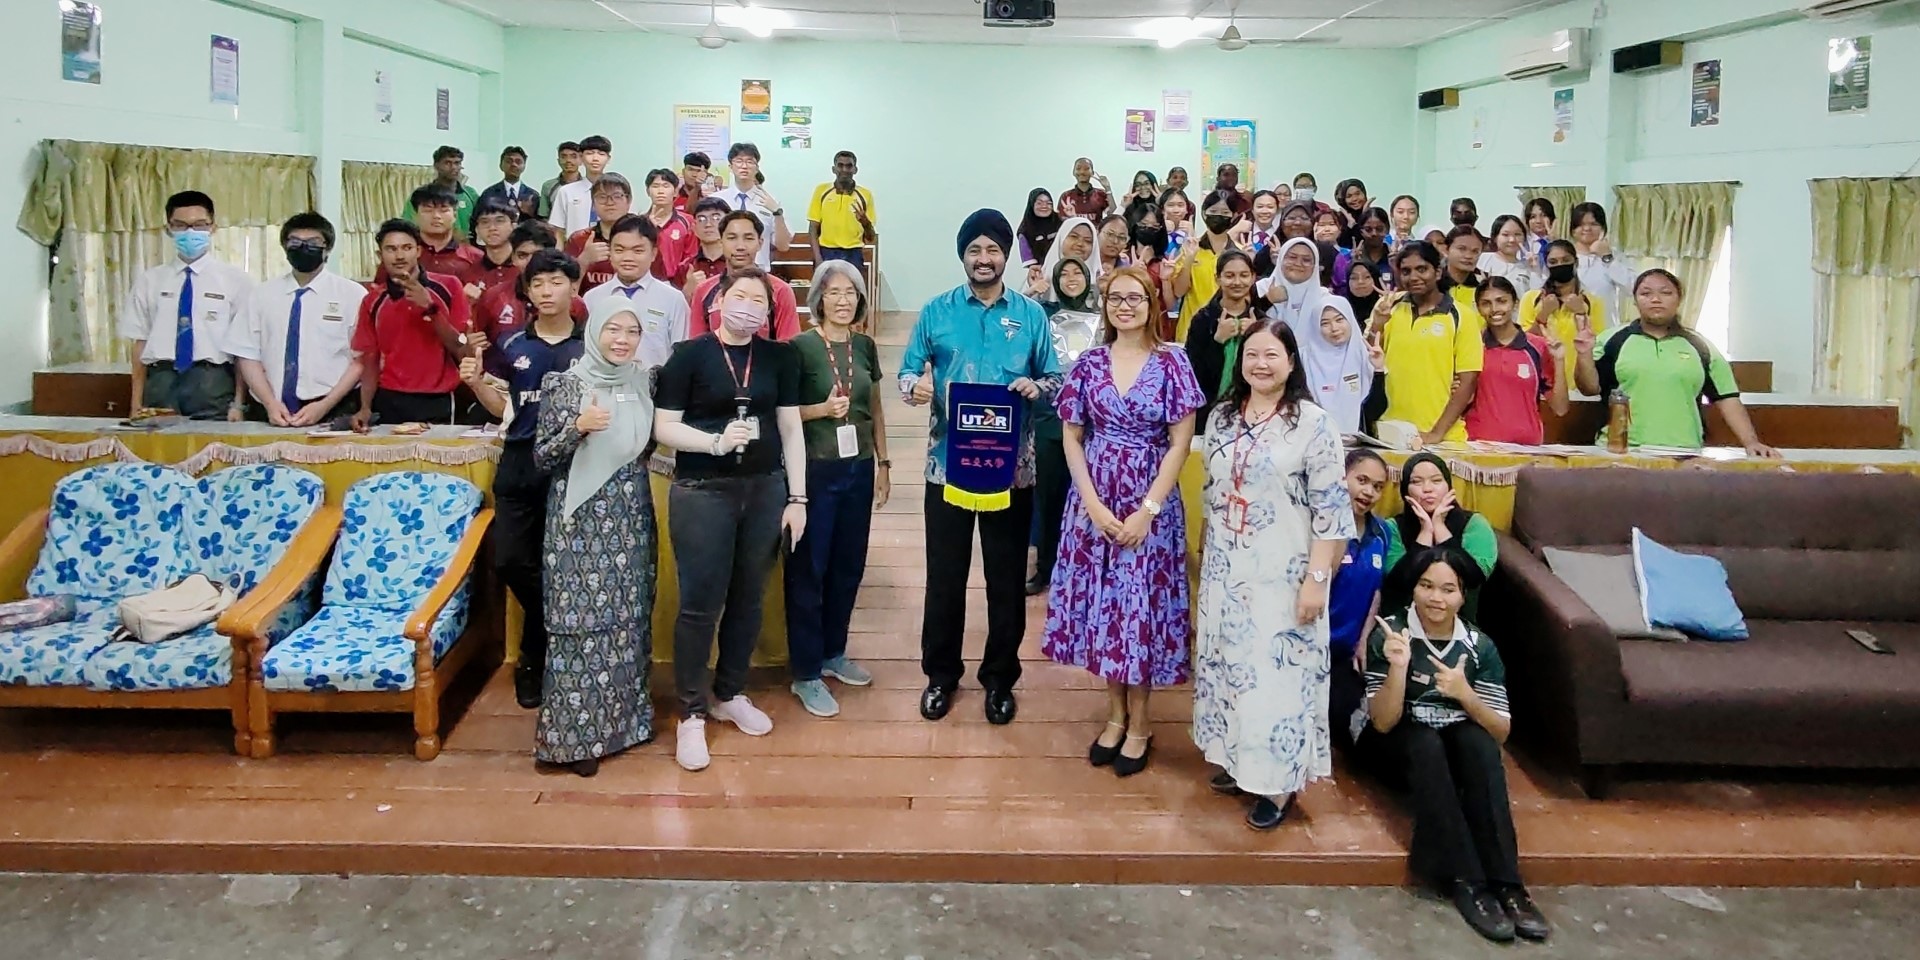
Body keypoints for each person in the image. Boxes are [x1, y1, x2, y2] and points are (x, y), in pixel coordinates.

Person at [900, 209, 1062, 726]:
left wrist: (1037, 387)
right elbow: (907, 371)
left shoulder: (1031, 316)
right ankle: (940, 675)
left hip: (1012, 469)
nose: (984, 258)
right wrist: (914, 386)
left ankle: (999, 679)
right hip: (947, 466)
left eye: (993, 249)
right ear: (963, 256)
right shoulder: (937, 311)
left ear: (1006, 255)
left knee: (1006, 578)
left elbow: (1056, 379)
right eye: (975, 250)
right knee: (944, 577)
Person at [1042, 266, 1203, 777]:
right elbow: (1072, 436)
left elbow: (1180, 443)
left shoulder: (1173, 362)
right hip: (1096, 500)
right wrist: (1092, 504)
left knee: (1140, 610)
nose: (1125, 306)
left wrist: (1147, 511)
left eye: (1135, 297)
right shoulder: (1089, 363)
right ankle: (1114, 715)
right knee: (1106, 608)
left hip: (1150, 502)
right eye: (1115, 297)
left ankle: (1141, 723)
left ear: (1152, 304)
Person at [1194, 319, 1354, 830]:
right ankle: (1239, 761)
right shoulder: (1222, 418)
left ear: (1291, 362)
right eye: (1252, 354)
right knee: (1230, 672)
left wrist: (1317, 581)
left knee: (1277, 680)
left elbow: (1332, 512)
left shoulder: (1313, 423)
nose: (1260, 364)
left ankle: (1279, 785)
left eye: (1271, 355)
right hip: (1227, 571)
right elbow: (1213, 492)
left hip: (1285, 573)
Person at [652, 268, 808, 771]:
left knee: (749, 596)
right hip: (703, 490)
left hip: (765, 488)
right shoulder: (689, 355)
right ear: (718, 300)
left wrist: (798, 497)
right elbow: (665, 427)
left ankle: (729, 691)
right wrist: (714, 443)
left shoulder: (780, 357)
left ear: (770, 311)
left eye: (759, 300)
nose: (748, 306)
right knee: (700, 603)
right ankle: (691, 712)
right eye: (738, 296)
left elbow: (790, 428)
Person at [1365, 551, 1550, 944]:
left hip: (1453, 742)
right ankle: (1468, 881)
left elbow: (1500, 731)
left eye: (1448, 589)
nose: (1436, 598)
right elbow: (1382, 722)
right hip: (1397, 744)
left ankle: (1509, 886)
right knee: (1424, 744)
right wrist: (1398, 668)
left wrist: (1466, 694)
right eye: (1426, 586)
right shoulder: (1391, 633)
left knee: (1480, 745)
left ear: (1463, 596)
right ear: (1413, 589)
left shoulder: (1479, 646)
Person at [531, 298, 659, 778]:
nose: (622, 340)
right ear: (595, 332)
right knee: (578, 624)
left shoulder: (644, 382)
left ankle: (627, 728)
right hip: (579, 523)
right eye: (613, 330)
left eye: (632, 332)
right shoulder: (565, 384)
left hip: (631, 515)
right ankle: (572, 742)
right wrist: (577, 428)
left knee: (628, 619)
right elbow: (542, 456)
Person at [461, 250, 584, 709]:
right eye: (538, 284)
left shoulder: (592, 344)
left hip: (573, 467)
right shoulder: (510, 344)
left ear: (574, 287)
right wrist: (476, 383)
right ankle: (557, 626)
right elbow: (503, 408)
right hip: (518, 462)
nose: (547, 291)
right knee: (512, 561)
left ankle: (534, 662)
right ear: (527, 292)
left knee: (563, 566)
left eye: (556, 281)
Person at [784, 260, 889, 718]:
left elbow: (875, 409)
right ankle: (806, 672)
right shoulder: (801, 348)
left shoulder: (865, 346)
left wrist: (884, 463)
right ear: (818, 300)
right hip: (815, 470)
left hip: (859, 468)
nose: (843, 300)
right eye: (833, 293)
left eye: (850, 292)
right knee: (810, 569)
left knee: (849, 566)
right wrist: (820, 411)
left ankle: (833, 652)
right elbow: (783, 413)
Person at [1576, 269, 1780, 456]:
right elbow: (1589, 388)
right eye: (1646, 293)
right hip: (1621, 451)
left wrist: (1751, 442)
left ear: (1679, 299)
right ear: (1635, 301)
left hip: (1685, 451)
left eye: (1666, 293)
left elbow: (1727, 397)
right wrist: (1584, 354)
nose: (1656, 299)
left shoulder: (1701, 345)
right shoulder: (1612, 340)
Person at [121, 190, 253, 420]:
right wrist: (135, 403)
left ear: (213, 227)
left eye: (199, 225)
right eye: (180, 226)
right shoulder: (149, 280)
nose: (190, 232)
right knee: (159, 443)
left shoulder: (236, 281)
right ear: (168, 229)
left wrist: (239, 404)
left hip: (212, 382)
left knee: (214, 443)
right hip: (161, 381)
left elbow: (243, 348)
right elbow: (140, 344)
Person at [229, 212, 365, 427]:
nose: (303, 248)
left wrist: (325, 405)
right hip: (270, 409)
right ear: (284, 247)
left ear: (327, 248)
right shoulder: (260, 295)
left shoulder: (353, 294)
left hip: (334, 407)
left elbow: (361, 360)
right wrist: (270, 404)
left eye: (313, 243)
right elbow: (247, 355)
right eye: (295, 242)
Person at [349, 219, 472, 428]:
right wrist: (365, 407)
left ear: (418, 251)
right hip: (389, 398)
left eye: (406, 248)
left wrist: (431, 308)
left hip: (439, 399)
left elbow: (460, 347)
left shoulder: (449, 287)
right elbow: (370, 359)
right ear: (380, 255)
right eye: (391, 249)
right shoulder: (372, 300)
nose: (399, 256)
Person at [1029, 256, 1100, 595]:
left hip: (1091, 424)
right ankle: (1046, 568)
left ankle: (1084, 571)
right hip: (1049, 421)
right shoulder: (1042, 316)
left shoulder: (1102, 319)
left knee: (1088, 499)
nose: (1071, 278)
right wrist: (1032, 291)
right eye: (1064, 273)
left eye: (1078, 273)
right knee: (1049, 499)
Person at [1372, 241, 1482, 446]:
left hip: (1441, 438)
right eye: (1406, 271)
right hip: (1389, 431)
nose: (1413, 277)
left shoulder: (1462, 315)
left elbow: (1468, 381)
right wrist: (1377, 324)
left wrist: (1436, 434)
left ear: (1437, 272)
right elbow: (1369, 360)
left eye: (1421, 269)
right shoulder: (1388, 306)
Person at [1380, 451, 1495, 618]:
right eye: (1416, 482)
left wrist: (1440, 528)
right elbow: (1398, 583)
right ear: (1405, 491)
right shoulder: (1392, 527)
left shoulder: (1474, 524)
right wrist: (1425, 532)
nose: (1427, 489)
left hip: (1459, 622)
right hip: (1402, 622)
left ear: (1448, 486)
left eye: (1436, 481)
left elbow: (1473, 578)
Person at [1328, 449, 1389, 753]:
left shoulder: (1382, 533)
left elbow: (1376, 591)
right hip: (1313, 647)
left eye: (1377, 486)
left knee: (1343, 726)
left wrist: (1363, 641)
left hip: (1347, 651)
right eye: (1361, 480)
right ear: (1342, 477)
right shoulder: (1324, 529)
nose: (1368, 492)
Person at [1466, 277, 1569, 445]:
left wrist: (1559, 360)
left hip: (1527, 447)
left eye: (1501, 301)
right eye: (1486, 303)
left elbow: (1560, 408)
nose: (1494, 309)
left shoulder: (1537, 347)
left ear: (1515, 303)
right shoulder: (1471, 346)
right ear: (1478, 308)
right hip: (1479, 445)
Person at [581, 214, 690, 373]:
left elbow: (682, 357)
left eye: (637, 251)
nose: (628, 258)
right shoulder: (593, 298)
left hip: (655, 386)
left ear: (653, 254)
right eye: (619, 250)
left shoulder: (673, 299)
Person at [687, 211, 802, 340]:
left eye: (748, 238)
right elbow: (696, 344)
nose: (740, 246)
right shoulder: (703, 290)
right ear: (721, 242)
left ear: (760, 243)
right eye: (732, 238)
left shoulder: (780, 290)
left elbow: (789, 346)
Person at [1184, 250, 1263, 425]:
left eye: (1244, 275)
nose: (1237, 282)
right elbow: (1191, 374)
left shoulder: (1262, 320)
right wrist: (1217, 341)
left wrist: (1255, 337)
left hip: (1253, 413)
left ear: (1253, 278)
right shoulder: (1202, 320)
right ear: (1217, 279)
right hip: (1206, 414)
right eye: (1229, 276)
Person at [1520, 239, 1605, 376]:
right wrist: (1543, 314)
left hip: (1579, 380)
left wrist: (1581, 314)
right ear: (1546, 265)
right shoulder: (1531, 299)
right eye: (1553, 262)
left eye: (1566, 260)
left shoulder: (1592, 302)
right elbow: (1524, 342)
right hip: (1542, 378)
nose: (1560, 265)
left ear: (1576, 262)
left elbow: (1598, 345)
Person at [1171, 189, 1238, 343]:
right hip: (1190, 331)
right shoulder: (1190, 248)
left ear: (1234, 216)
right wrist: (1189, 259)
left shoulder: (1239, 252)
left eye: (1225, 212)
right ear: (1203, 213)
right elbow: (1179, 292)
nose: (1218, 216)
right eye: (1213, 211)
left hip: (1228, 332)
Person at [720, 142, 793, 271]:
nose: (744, 166)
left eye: (750, 161)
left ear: (757, 168)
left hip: (758, 271)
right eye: (739, 161)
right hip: (725, 271)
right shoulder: (717, 200)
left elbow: (783, 246)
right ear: (730, 167)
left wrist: (777, 213)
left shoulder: (771, 202)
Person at [565, 173, 633, 294]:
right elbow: (564, 287)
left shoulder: (642, 239)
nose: (609, 202)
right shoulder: (579, 239)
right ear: (593, 204)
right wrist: (583, 260)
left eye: (617, 196)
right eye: (602, 197)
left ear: (628, 201)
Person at [808, 150, 876, 270]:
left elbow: (870, 237)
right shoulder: (821, 191)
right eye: (840, 165)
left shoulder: (865, 195)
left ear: (855, 170)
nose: (844, 169)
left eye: (849, 166)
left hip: (853, 254)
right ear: (834, 169)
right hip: (826, 252)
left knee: (853, 283)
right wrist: (818, 259)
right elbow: (813, 229)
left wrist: (865, 222)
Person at [1568, 201, 1635, 321]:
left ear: (1603, 228)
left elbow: (1633, 288)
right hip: (1568, 326)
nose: (1587, 228)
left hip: (1605, 326)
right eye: (1581, 224)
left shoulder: (1614, 255)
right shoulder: (1564, 255)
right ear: (1573, 230)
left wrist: (1607, 258)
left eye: (1593, 224)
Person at [410, 185, 484, 287]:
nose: (436, 216)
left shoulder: (476, 258)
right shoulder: (404, 256)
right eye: (428, 210)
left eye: (443, 210)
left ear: (455, 215)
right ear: (415, 216)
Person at [640, 169, 699, 284]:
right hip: (644, 281)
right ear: (648, 191)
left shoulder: (687, 222)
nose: (660, 191)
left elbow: (691, 257)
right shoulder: (639, 223)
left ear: (676, 191)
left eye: (666, 186)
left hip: (677, 284)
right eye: (655, 186)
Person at [407, 146, 480, 237]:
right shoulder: (422, 195)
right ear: (436, 166)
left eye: (457, 163)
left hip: (467, 244)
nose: (453, 167)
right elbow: (408, 226)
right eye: (447, 163)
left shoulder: (471, 194)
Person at [548, 135, 612, 238]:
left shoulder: (617, 192)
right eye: (590, 153)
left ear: (608, 159)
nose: (595, 158)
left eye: (601, 154)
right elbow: (559, 231)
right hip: (574, 247)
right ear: (581, 158)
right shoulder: (566, 191)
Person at [464, 201, 521, 312]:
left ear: (514, 226)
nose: (492, 228)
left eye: (499, 221)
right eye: (485, 222)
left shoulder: (524, 269)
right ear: (477, 230)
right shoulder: (469, 273)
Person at [1031, 216, 1099, 300]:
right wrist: (1032, 292)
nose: (1080, 244)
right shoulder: (1039, 277)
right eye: (1074, 237)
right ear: (1061, 237)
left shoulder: (1099, 281)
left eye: (1088, 241)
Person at [1478, 214, 1539, 298]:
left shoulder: (1528, 268)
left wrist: (1536, 270)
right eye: (1505, 235)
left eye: (1517, 234)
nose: (1512, 240)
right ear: (1495, 237)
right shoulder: (1483, 260)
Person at [1334, 207, 1393, 292]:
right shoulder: (1345, 258)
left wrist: (1396, 267)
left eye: (1379, 229)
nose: (1374, 233)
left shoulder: (1396, 258)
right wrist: (1351, 265)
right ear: (1361, 231)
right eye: (1368, 229)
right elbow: (1339, 290)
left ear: (1387, 229)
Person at [1438, 226, 1489, 322]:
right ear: (1446, 249)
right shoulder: (1432, 285)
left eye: (1475, 251)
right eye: (1462, 249)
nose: (1468, 256)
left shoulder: (1485, 286)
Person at [477, 145, 540, 221]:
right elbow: (477, 220)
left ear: (524, 167)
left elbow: (540, 223)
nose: (513, 164)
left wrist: (530, 213)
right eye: (509, 161)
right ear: (501, 165)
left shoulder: (532, 195)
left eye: (518, 162)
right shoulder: (489, 194)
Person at [679, 196, 730, 290]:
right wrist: (688, 289)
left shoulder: (738, 264)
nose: (708, 224)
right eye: (701, 219)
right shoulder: (685, 267)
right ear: (694, 227)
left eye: (715, 218)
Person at [1015, 187, 1063, 274]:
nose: (1044, 206)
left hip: (1065, 267)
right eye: (1039, 203)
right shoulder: (1025, 231)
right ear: (1032, 205)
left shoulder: (1060, 221)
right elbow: (1030, 262)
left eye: (1048, 203)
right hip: (1041, 272)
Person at [537, 141, 582, 220]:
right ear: (558, 160)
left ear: (581, 160)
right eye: (564, 157)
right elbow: (543, 216)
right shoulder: (548, 186)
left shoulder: (589, 186)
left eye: (573, 156)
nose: (568, 160)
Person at [1523, 197, 1557, 265]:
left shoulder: (1558, 243)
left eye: (1543, 215)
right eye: (1533, 217)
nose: (1538, 221)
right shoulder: (1523, 244)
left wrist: (1554, 242)